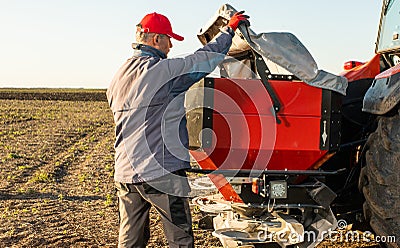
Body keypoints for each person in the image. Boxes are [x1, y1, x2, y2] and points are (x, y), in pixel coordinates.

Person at [107, 10, 249, 248]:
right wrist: (228, 31)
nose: (171, 45)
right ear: (155, 39)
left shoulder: (118, 76)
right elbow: (202, 60)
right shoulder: (162, 72)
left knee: (131, 239)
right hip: (161, 171)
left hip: (125, 172)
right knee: (179, 237)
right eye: (169, 39)